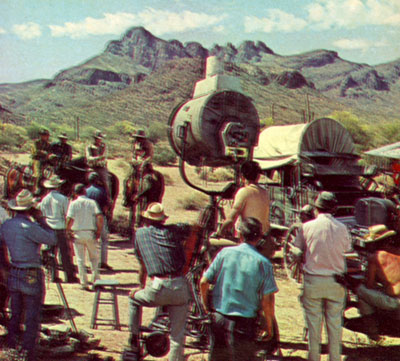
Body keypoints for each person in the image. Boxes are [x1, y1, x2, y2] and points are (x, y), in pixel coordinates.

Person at [200, 217, 278, 361]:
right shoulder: (263, 264)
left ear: (239, 235)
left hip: (220, 317)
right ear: (260, 238)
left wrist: (206, 306)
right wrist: (268, 326)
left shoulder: (224, 253)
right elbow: (267, 301)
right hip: (245, 323)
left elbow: (204, 282)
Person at [128, 202, 192, 361]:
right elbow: (186, 227)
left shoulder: (140, 234)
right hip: (180, 287)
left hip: (158, 287)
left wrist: (140, 287)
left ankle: (134, 337)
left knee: (133, 299)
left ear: (146, 219)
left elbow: (142, 264)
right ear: (163, 220)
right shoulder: (173, 231)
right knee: (177, 336)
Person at [293, 191, 352, 361]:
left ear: (316, 208)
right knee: (334, 328)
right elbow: (347, 251)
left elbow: (297, 252)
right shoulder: (342, 228)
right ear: (334, 209)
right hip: (336, 281)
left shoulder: (306, 227)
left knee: (314, 328)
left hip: (313, 281)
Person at [0, 189, 56, 361]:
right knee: (31, 316)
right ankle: (27, 352)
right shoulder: (31, 227)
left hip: (14, 270)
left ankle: (11, 347)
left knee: (15, 314)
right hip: (30, 272)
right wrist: (41, 219)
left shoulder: (6, 226)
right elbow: (52, 239)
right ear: (30, 209)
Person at [336, 232, 400, 340]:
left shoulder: (376, 257)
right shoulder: (397, 253)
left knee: (361, 291)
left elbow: (369, 285)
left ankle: (372, 332)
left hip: (392, 303)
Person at [38, 175, 77, 283]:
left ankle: (53, 276)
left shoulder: (44, 200)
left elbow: (42, 214)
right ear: (58, 186)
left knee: (51, 253)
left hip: (49, 227)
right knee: (65, 253)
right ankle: (69, 276)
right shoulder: (63, 199)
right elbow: (67, 214)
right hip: (60, 228)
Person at [66, 183, 103, 291]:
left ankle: (84, 282)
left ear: (75, 193)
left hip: (77, 233)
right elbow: (99, 217)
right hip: (90, 232)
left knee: (80, 259)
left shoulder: (73, 204)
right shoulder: (92, 203)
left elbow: (69, 219)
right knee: (94, 258)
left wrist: (67, 231)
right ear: (84, 191)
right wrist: (99, 230)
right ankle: (96, 280)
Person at [219, 160, 269, 239]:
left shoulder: (244, 192)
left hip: (247, 238)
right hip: (262, 237)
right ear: (258, 177)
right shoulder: (265, 193)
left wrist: (219, 233)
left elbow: (231, 219)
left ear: (242, 177)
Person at [86, 172, 112, 271]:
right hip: (101, 217)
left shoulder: (86, 191)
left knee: (91, 240)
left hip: (89, 218)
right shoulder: (102, 190)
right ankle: (103, 262)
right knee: (104, 240)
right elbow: (106, 205)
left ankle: (92, 262)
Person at [133, 162, 165, 230]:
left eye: (142, 168)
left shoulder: (147, 177)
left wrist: (139, 196)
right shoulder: (157, 175)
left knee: (146, 216)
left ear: (145, 168)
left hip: (147, 200)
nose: (140, 170)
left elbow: (148, 187)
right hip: (156, 199)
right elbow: (162, 188)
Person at [86, 130, 110, 201]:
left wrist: (99, 159)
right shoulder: (89, 147)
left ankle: (108, 198)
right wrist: (97, 158)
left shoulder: (104, 146)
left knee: (105, 181)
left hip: (101, 167)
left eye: (100, 138)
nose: (99, 140)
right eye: (97, 138)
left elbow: (105, 156)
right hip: (91, 167)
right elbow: (88, 157)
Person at [31, 128, 51, 194]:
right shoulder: (36, 143)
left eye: (47, 135)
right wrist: (44, 153)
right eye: (44, 135)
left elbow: (49, 152)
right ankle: (37, 187)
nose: (46, 137)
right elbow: (36, 152)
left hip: (45, 160)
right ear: (41, 136)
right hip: (37, 160)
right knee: (39, 173)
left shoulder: (48, 144)